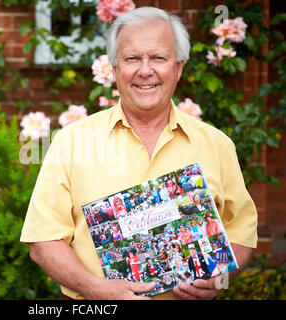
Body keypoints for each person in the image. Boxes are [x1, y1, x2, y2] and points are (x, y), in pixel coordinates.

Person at [20, 7, 258, 300]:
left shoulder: (217, 145)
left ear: (178, 67)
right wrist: (98, 289)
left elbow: (241, 233)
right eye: (132, 58)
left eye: (158, 58)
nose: (145, 70)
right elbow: (43, 241)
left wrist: (219, 275)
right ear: (115, 68)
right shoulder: (71, 142)